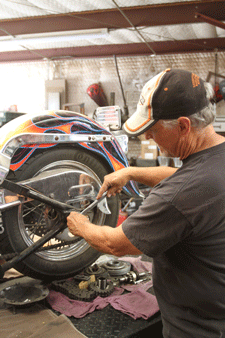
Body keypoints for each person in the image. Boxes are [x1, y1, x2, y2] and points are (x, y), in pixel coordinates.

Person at [67, 68, 225, 338]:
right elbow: (186, 177)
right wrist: (132, 172)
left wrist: (78, 224)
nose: (148, 139)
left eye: (152, 131)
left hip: (197, 329)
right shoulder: (215, 159)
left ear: (184, 126)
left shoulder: (181, 194)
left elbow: (113, 243)